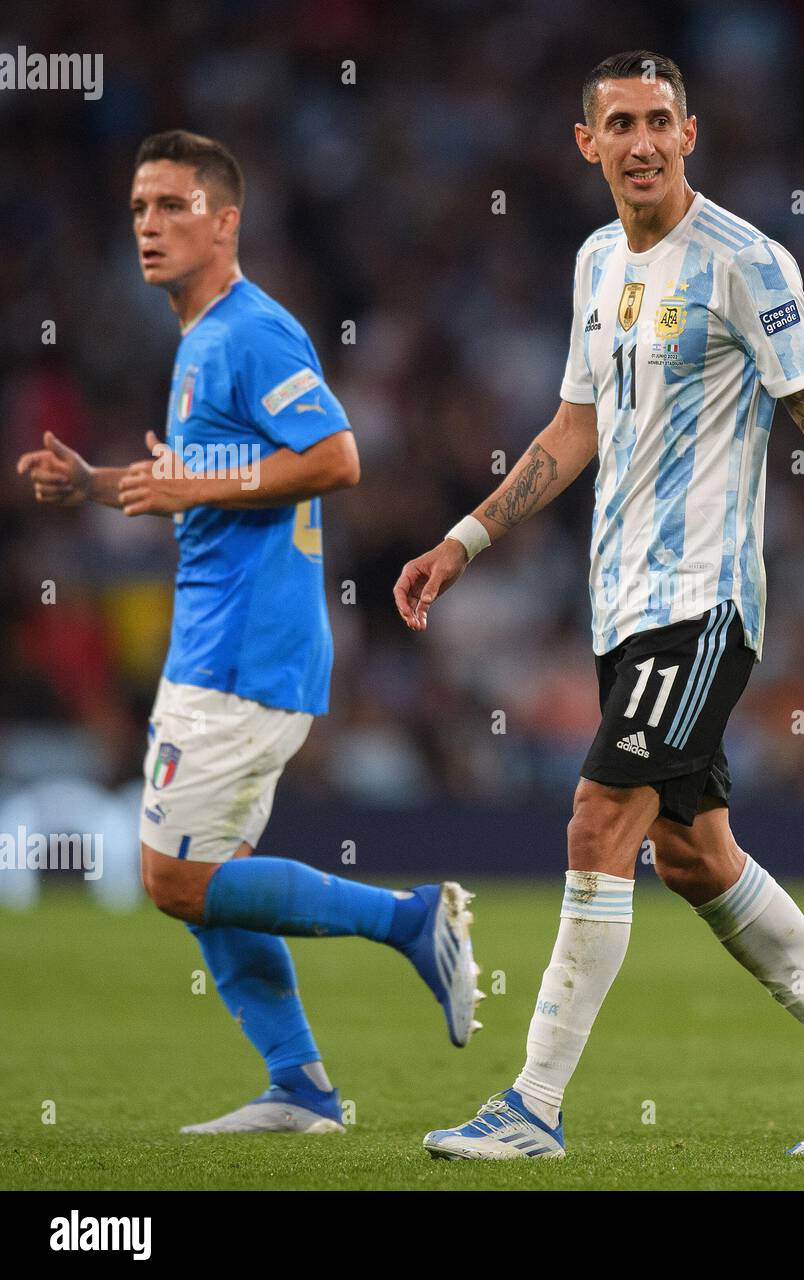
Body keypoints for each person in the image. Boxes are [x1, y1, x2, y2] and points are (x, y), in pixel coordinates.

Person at [394, 51, 804, 1159]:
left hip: (704, 603)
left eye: (659, 121)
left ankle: (532, 1106)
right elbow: (570, 432)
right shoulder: (596, 261)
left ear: (691, 134)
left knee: (597, 818)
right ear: (584, 143)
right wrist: (464, 539)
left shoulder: (747, 262)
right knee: (692, 856)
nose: (641, 142)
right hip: (621, 610)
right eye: (619, 124)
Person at [18, 129, 481, 1135]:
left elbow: (338, 457)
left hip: (241, 654)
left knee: (173, 878)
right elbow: (212, 494)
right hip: (222, 646)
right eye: (140, 207)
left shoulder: (249, 332)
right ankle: (302, 1086)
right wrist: (100, 484)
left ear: (226, 223)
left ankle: (410, 918)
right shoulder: (198, 343)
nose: (149, 224)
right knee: (206, 879)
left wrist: (201, 480)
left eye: (173, 206)